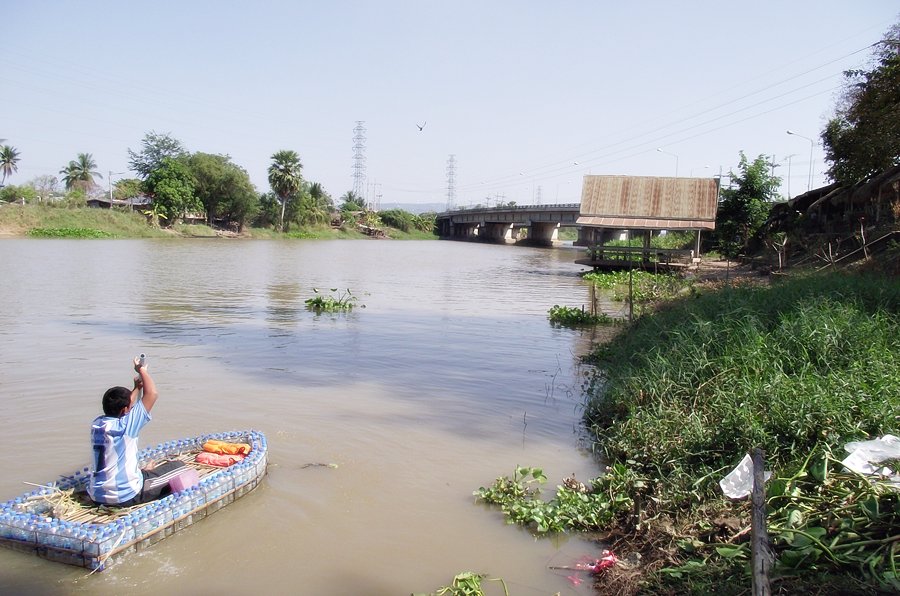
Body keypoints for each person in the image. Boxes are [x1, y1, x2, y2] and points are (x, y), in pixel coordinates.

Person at [87, 356, 184, 506]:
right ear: (125, 410)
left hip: (96, 494)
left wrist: (137, 388)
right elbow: (152, 394)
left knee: (141, 470)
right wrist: (142, 370)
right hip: (126, 496)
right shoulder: (126, 425)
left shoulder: (98, 424)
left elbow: (126, 405)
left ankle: (142, 475)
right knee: (179, 467)